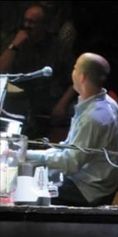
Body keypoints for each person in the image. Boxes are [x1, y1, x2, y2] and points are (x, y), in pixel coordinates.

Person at [26, 52, 118, 207]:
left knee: (24, 190)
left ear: (82, 77)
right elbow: (70, 149)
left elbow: (70, 164)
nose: (72, 72)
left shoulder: (94, 118)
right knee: (31, 170)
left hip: (88, 189)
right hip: (90, 177)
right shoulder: (107, 102)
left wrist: (24, 155)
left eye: (74, 68)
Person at [0, 2, 76, 138]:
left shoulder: (57, 47)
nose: (27, 26)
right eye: (25, 21)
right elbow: (1, 71)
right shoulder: (15, 40)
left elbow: (75, 80)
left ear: (43, 25)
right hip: (17, 98)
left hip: (47, 98)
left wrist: (62, 104)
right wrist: (14, 46)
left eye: (32, 22)